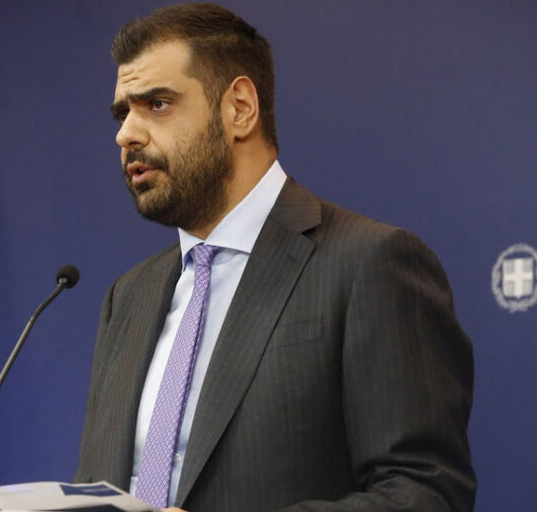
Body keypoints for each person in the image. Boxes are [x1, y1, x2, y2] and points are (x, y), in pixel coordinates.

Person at [74, 4, 476, 511]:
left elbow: (425, 493)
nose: (126, 134)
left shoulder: (368, 264)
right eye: (122, 113)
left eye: (157, 104)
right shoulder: (128, 297)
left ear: (240, 108)